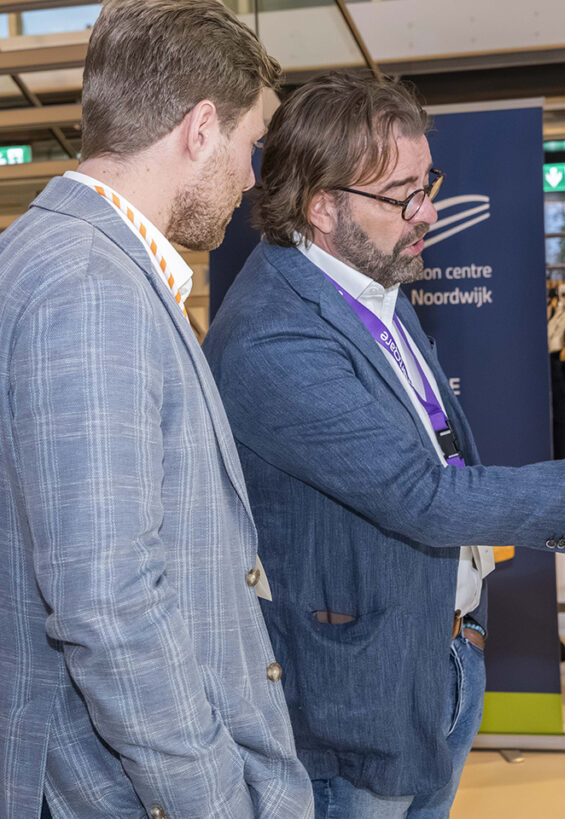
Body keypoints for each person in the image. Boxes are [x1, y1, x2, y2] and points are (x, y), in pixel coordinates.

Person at [202, 70, 565, 819]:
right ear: (322, 207)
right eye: (402, 195)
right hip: (357, 703)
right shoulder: (276, 336)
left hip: (438, 653)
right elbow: (424, 496)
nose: (427, 211)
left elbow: (441, 449)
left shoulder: (368, 285)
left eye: (430, 182)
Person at [0, 2, 314, 817]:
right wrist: (212, 797)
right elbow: (107, 600)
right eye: (252, 147)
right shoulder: (90, 284)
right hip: (112, 789)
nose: (252, 178)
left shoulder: (55, 256)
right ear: (200, 128)